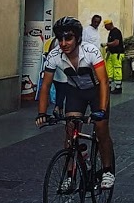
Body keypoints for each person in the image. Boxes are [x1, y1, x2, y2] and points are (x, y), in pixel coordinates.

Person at [35, 17, 115, 189]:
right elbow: (45, 85)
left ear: (78, 38)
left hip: (96, 91)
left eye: (68, 38)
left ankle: (107, 170)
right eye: (60, 38)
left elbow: (103, 82)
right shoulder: (54, 55)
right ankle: (71, 175)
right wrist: (42, 113)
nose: (64, 43)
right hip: (75, 92)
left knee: (101, 129)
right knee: (70, 131)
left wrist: (101, 109)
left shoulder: (91, 51)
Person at [103, 19, 124, 94]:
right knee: (109, 69)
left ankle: (118, 87)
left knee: (117, 69)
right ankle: (108, 86)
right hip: (112, 53)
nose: (105, 28)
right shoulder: (112, 32)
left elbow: (116, 42)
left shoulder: (115, 31)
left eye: (105, 26)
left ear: (109, 24)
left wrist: (106, 44)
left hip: (117, 53)